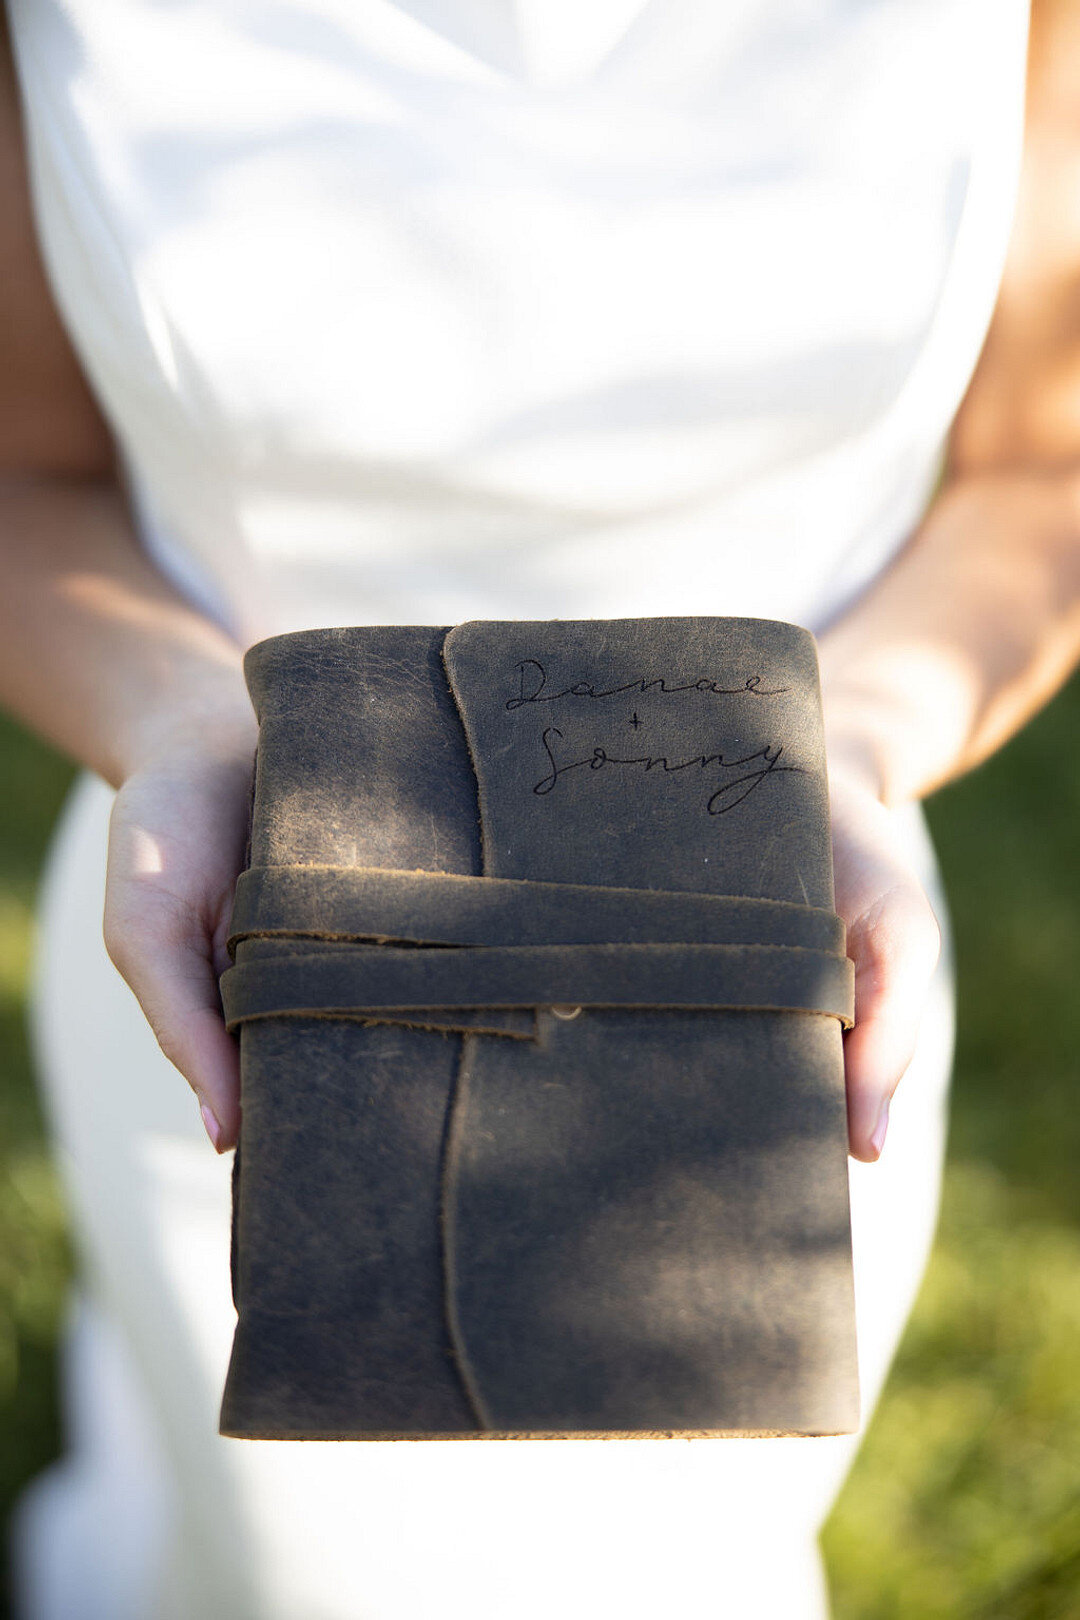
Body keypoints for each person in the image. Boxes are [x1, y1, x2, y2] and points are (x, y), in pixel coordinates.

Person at [2, 0, 1078, 1614]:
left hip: (768, 958)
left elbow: (1041, 468)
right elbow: (26, 472)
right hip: (253, 933)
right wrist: (178, 722)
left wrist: (852, 747)